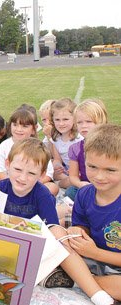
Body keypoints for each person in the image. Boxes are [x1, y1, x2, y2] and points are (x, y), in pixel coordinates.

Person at [49, 124, 121, 305]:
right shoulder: (84, 193)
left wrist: (96, 253)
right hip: (90, 259)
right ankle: (97, 292)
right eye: (92, 166)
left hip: (113, 266)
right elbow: (82, 226)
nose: (99, 176)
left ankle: (81, 282)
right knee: (56, 232)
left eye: (110, 170)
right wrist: (77, 232)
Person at [0, 137, 59, 225]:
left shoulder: (43, 195)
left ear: (41, 174)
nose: (23, 178)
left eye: (31, 173)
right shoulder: (0, 188)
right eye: (18, 169)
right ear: (8, 164)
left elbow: (52, 228)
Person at [0, 107, 59, 196]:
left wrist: (30, 183)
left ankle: (31, 200)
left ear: (34, 129)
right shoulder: (4, 146)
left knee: (53, 187)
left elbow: (48, 174)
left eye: (24, 126)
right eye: (15, 125)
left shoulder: (39, 147)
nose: (19, 129)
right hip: (10, 183)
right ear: (10, 126)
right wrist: (15, 183)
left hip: (33, 185)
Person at [67, 99, 108, 201]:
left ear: (100, 122)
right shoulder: (75, 148)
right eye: (79, 122)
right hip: (87, 185)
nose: (83, 125)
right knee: (70, 192)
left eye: (88, 121)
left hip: (108, 184)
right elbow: (73, 176)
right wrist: (80, 184)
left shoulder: (110, 144)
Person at [49, 98, 83, 189]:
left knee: (71, 181)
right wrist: (57, 165)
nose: (61, 123)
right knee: (52, 172)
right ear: (53, 120)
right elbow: (57, 159)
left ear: (75, 119)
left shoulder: (79, 139)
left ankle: (63, 184)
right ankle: (68, 182)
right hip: (67, 172)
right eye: (57, 120)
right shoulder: (55, 139)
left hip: (81, 171)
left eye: (65, 119)